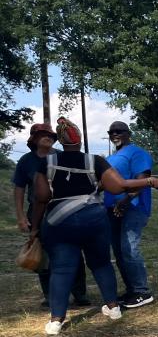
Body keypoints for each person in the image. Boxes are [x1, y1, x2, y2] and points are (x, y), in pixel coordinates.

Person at [31, 117, 158, 335]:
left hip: (60, 222)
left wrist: (35, 227)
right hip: (93, 220)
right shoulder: (95, 161)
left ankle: (56, 320)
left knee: (62, 269)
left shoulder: (47, 163)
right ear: (80, 140)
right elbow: (118, 186)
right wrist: (148, 182)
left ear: (60, 142)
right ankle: (113, 307)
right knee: (101, 264)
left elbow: (41, 197)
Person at [11, 123, 89, 308]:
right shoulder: (26, 161)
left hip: (65, 210)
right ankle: (49, 294)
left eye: (49, 134)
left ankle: (80, 293)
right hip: (38, 212)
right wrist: (21, 216)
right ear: (34, 139)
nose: (47, 137)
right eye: (42, 134)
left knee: (74, 251)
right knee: (43, 255)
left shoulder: (62, 157)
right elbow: (19, 189)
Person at [104, 121, 156, 309]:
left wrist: (124, 201)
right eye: (112, 132)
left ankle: (142, 291)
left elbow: (142, 182)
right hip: (112, 209)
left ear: (128, 134)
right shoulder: (111, 158)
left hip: (133, 207)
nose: (115, 134)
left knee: (129, 248)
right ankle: (132, 290)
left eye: (119, 131)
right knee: (118, 251)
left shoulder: (137, 153)